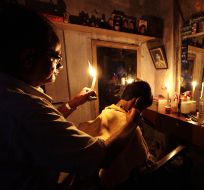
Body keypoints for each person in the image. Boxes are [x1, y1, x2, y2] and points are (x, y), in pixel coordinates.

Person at [0, 4, 144, 190]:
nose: (59, 66)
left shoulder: (13, 96)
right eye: (56, 57)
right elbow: (102, 156)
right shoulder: (24, 110)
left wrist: (73, 103)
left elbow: (44, 128)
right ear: (28, 58)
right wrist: (133, 121)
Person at [78, 80, 153, 189]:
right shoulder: (131, 128)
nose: (141, 113)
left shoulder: (106, 111)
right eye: (143, 108)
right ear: (137, 101)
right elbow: (141, 158)